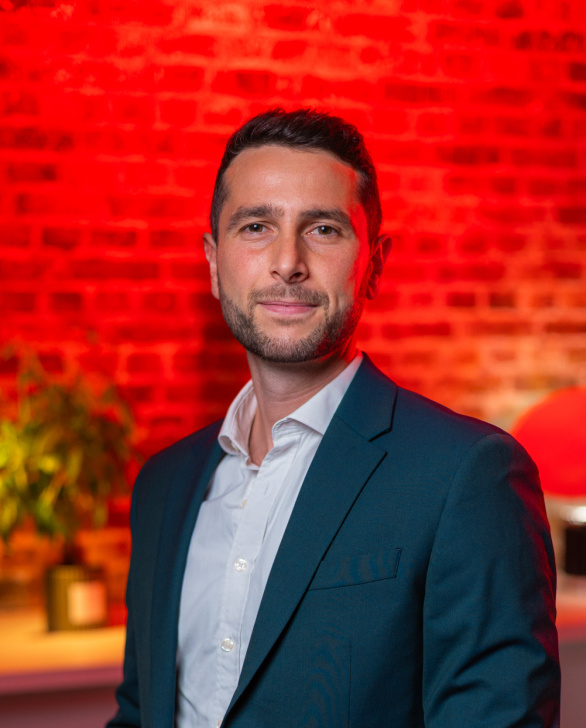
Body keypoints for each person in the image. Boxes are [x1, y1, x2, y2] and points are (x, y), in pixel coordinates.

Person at [107, 108, 560, 728]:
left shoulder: (468, 477)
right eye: (256, 226)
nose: (287, 262)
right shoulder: (164, 487)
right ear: (214, 263)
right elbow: (140, 712)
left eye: (322, 229)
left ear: (374, 264)